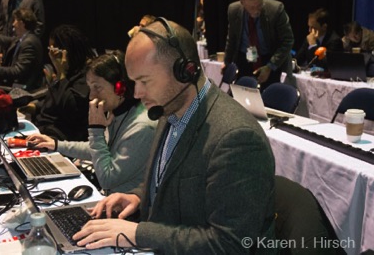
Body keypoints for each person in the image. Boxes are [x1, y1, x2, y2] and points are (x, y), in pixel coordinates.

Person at [71, 18, 276, 254]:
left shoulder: (237, 139)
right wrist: (137, 197)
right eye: (134, 82)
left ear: (184, 71)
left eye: (144, 81)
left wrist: (138, 234)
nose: (137, 93)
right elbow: (174, 184)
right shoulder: (168, 109)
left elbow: (229, 243)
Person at [27, 51, 157, 194]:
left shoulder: (141, 127)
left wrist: (96, 130)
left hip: (125, 210)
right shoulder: (118, 111)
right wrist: (56, 144)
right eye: (90, 88)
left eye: (97, 87)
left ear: (120, 87)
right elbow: (100, 151)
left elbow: (107, 179)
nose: (91, 96)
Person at [20, 24, 97, 141]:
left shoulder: (85, 76)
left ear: (67, 51)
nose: (51, 55)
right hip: (42, 130)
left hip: (61, 138)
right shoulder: (68, 71)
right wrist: (35, 106)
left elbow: (69, 108)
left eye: (54, 50)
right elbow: (54, 101)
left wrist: (61, 73)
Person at [224, 0, 294, 91]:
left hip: (269, 59)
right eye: (252, 7)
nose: (257, 10)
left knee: (267, 99)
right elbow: (231, 38)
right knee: (242, 99)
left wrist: (270, 67)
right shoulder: (233, 10)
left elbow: (288, 40)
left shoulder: (275, 10)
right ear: (242, 2)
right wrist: (226, 62)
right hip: (244, 60)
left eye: (259, 5)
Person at [0, 0, 45, 66]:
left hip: (24, 48)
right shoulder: (5, 0)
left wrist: (27, 44)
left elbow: (39, 26)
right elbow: (2, 26)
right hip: (7, 49)